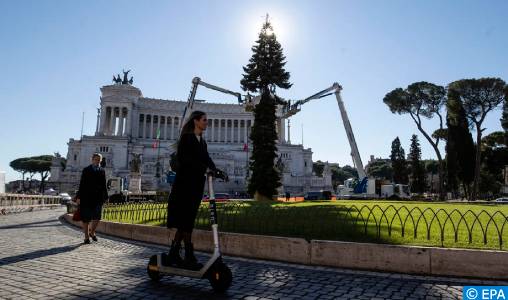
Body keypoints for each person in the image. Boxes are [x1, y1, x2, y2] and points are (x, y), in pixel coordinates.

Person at [165, 110, 219, 270]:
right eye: (204, 120)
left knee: (187, 220)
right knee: (186, 220)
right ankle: (188, 254)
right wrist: (204, 168)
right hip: (184, 185)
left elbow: (206, 158)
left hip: (196, 185)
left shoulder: (202, 141)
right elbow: (185, 160)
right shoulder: (186, 139)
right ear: (196, 121)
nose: (206, 122)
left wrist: (216, 170)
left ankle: (175, 252)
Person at [75, 153, 108, 244]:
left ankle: (92, 232)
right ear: (92, 159)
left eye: (98, 160)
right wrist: (78, 197)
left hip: (98, 197)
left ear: (100, 161)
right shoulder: (86, 170)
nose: (97, 161)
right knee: (86, 218)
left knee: (97, 217)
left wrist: (105, 197)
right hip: (86, 197)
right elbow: (82, 184)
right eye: (95, 159)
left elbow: (104, 185)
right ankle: (86, 237)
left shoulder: (102, 170)